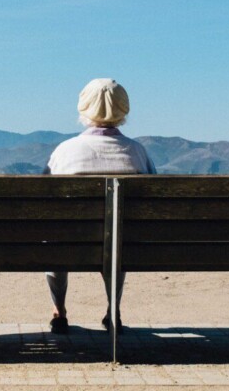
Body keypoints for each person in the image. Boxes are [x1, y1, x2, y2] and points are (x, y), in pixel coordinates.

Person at [43, 78, 156, 335]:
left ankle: (59, 312)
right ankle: (112, 310)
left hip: (70, 243)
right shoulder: (137, 152)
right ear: (123, 109)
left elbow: (44, 200)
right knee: (116, 238)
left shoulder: (65, 151)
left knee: (54, 241)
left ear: (83, 109)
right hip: (123, 244)